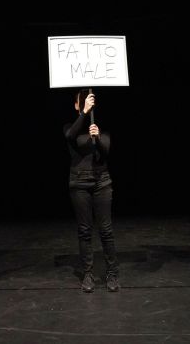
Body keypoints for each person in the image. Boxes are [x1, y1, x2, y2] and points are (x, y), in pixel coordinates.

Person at [64, 90, 120, 293]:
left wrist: (97, 138)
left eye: (89, 101)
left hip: (101, 182)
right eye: (82, 102)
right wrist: (84, 113)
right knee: (85, 230)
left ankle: (112, 273)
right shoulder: (70, 127)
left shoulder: (100, 126)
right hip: (79, 183)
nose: (86, 103)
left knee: (106, 230)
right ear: (76, 105)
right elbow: (70, 137)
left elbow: (105, 153)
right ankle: (88, 273)